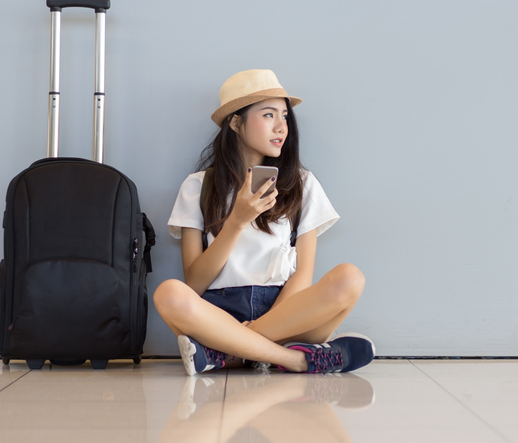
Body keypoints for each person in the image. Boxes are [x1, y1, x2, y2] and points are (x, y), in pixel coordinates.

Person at [154, 69, 375, 375]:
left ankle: (227, 351)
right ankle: (295, 359)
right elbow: (193, 284)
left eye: (284, 116)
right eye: (268, 115)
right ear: (235, 122)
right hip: (218, 314)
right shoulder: (198, 186)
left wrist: (256, 327)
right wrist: (237, 221)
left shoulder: (302, 183)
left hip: (285, 313)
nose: (281, 127)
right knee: (169, 292)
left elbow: (303, 274)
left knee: (350, 278)